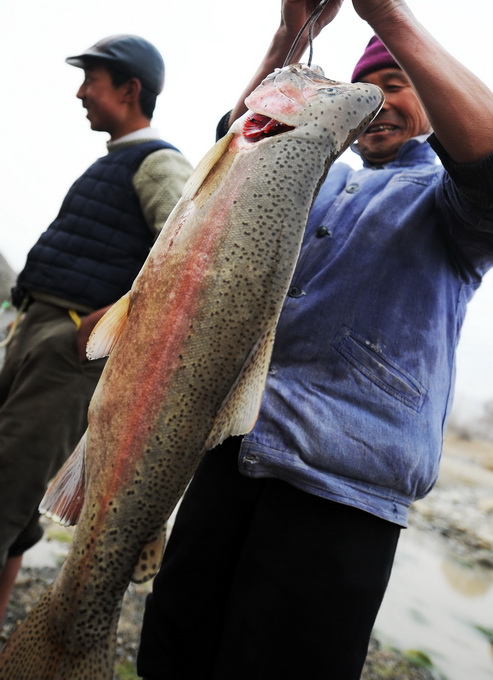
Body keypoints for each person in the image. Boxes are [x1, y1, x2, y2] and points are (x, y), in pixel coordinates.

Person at [137, 1, 493, 678]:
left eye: (395, 84)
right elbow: (239, 144)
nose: (375, 103)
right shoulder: (318, 176)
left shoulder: (451, 201)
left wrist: (384, 16)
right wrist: (289, 32)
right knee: (170, 659)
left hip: (342, 498)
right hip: (229, 460)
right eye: (364, 91)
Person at [0, 34, 193, 625]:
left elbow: (185, 259)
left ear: (130, 90)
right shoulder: (113, 159)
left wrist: (97, 326)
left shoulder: (158, 161)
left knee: (3, 494)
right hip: (37, 334)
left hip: (69, 349)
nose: (82, 92)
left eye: (93, 80)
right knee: (14, 501)